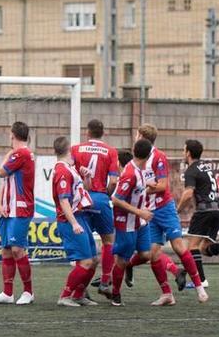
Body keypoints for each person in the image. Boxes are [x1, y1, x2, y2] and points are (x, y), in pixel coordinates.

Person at [122, 124, 207, 304]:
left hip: (164, 208)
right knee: (152, 254)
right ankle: (167, 294)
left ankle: (200, 287)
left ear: (142, 136)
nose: (135, 137)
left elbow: (162, 186)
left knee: (178, 246)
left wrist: (143, 188)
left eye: (137, 134)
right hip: (149, 212)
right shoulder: (137, 159)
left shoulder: (158, 157)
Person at [176, 139, 219, 288]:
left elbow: (188, 193)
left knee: (192, 248)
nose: (182, 152)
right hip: (217, 211)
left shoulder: (191, 170)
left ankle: (201, 281)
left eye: (183, 150)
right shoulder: (207, 167)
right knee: (205, 250)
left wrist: (176, 210)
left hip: (204, 211)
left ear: (188, 153)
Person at [0, 122, 35, 305]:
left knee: (17, 249)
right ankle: (7, 293)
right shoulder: (20, 154)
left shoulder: (20, 153)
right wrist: (0, 202)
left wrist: (8, 154)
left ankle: (28, 292)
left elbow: (1, 172)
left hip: (20, 208)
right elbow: (6, 180)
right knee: (7, 250)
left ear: (12, 135)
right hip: (9, 208)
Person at [71, 119, 118, 299]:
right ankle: (105, 282)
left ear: (88, 132)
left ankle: (80, 288)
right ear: (102, 133)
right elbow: (113, 181)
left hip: (82, 199)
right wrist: (105, 194)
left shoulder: (76, 149)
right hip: (100, 198)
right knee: (108, 241)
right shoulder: (111, 151)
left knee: (84, 244)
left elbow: (71, 176)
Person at [50, 137, 97, 307]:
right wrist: (74, 224)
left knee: (93, 259)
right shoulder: (62, 171)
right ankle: (65, 296)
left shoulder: (70, 169)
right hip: (70, 220)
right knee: (85, 262)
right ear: (69, 149)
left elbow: (86, 189)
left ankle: (78, 295)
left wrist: (87, 177)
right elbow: (64, 201)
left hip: (81, 217)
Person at [109, 140, 155, 306]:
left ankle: (129, 266)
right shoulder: (130, 173)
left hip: (139, 221)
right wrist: (140, 212)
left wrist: (147, 186)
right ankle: (115, 293)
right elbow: (115, 199)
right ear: (149, 155)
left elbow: (136, 190)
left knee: (146, 255)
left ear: (134, 150)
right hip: (126, 221)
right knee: (121, 259)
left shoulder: (141, 171)